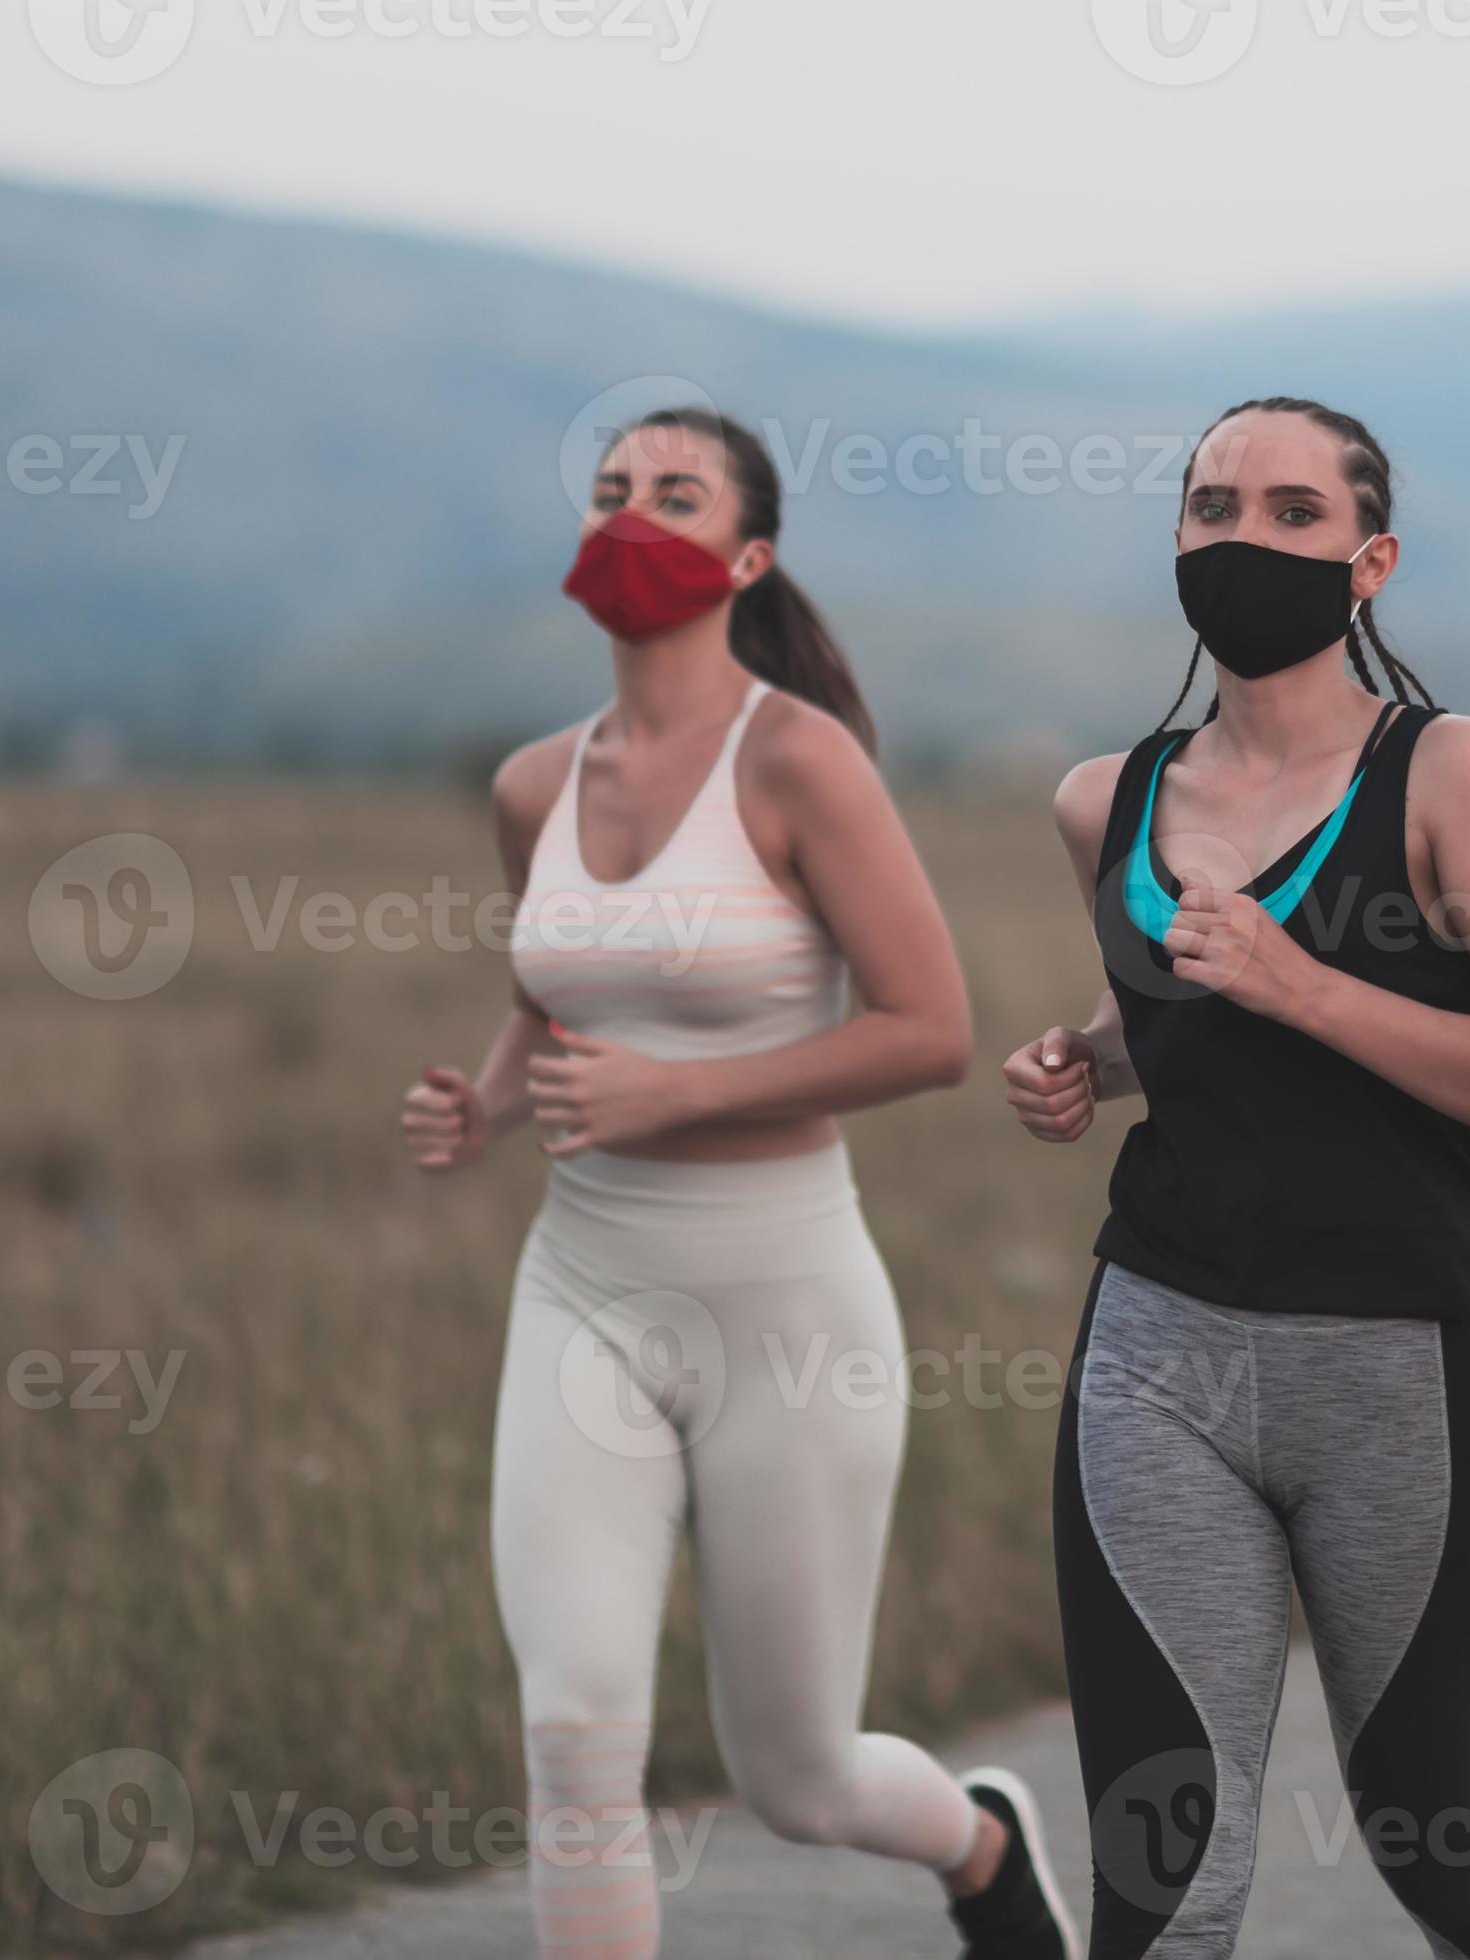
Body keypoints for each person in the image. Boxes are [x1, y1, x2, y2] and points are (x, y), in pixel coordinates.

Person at [402, 407, 1079, 1959]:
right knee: (576, 1726)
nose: (629, 515)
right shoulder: (531, 787)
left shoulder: (800, 761)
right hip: (583, 1291)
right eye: (607, 490)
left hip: (785, 1305)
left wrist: (679, 1092)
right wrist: (486, 1105)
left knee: (800, 1777)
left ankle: (979, 1849)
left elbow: (931, 1030)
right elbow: (560, 988)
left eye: (674, 495)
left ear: (747, 554)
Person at [1001, 396, 1470, 1958]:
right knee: (1165, 1870)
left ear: (1371, 559)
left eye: (1289, 514)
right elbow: (1184, 1015)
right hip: (1157, 1355)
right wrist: (1086, 1057)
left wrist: (1306, 986)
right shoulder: (1107, 799)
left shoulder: (1453, 772)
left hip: (1397, 1364)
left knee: (1436, 1844)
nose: (1242, 540)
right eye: (1211, 510)